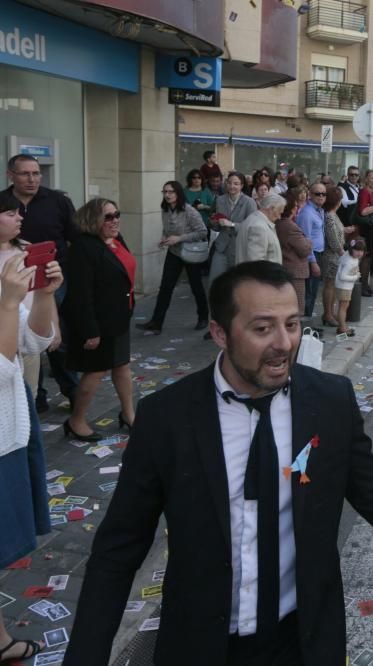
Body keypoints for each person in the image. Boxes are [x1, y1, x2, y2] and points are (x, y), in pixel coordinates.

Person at [64, 261, 373, 666]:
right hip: (201, 640)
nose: (284, 344)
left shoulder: (330, 402)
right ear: (220, 332)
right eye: (263, 329)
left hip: (302, 638)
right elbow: (118, 548)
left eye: (293, 324)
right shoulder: (167, 417)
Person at [0, 193, 62, 663]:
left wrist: (42, 293)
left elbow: (35, 341)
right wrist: (7, 303)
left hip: (10, 424)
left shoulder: (10, 263)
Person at [4, 154, 79, 412]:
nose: (32, 179)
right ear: (10, 175)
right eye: (25, 173)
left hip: (51, 279)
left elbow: (75, 237)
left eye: (36, 173)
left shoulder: (57, 201)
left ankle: (72, 390)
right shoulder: (4, 203)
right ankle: (35, 396)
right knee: (23, 342)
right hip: (15, 286)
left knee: (54, 339)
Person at [62, 198, 136, 441]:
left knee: (122, 366)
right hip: (98, 322)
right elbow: (80, 293)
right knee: (95, 371)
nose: (115, 221)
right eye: (108, 217)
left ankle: (128, 414)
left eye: (117, 214)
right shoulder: (83, 247)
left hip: (118, 318)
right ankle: (76, 420)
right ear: (93, 219)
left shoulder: (116, 240)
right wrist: (90, 330)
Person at [135, 181, 209, 335]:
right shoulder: (165, 209)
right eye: (165, 192)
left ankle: (203, 317)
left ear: (178, 193)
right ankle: (156, 323)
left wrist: (180, 238)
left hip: (190, 253)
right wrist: (165, 238)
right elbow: (167, 228)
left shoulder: (189, 211)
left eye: (171, 192)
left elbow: (202, 232)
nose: (167, 195)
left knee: (196, 286)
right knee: (165, 288)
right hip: (174, 253)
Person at [209, 172, 257, 287]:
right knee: (215, 283)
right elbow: (216, 226)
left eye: (236, 183)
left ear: (241, 185)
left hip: (239, 248)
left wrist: (232, 224)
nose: (232, 186)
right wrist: (214, 222)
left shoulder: (249, 202)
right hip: (222, 247)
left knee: (236, 285)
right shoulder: (219, 200)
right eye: (229, 183)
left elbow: (253, 227)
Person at [275, 195, 314, 316]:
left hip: (285, 266)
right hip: (295, 270)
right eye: (296, 206)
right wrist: (309, 241)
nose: (297, 208)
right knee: (297, 306)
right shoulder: (290, 226)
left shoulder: (278, 223)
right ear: (291, 208)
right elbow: (304, 250)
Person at [321, 186, 351, 327]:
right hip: (332, 255)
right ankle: (327, 314)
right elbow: (333, 240)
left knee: (332, 285)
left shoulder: (332, 215)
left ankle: (329, 313)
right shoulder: (330, 217)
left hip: (335, 255)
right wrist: (344, 255)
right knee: (330, 285)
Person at [296, 184, 326, 317]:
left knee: (313, 291)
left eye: (323, 194)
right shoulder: (307, 213)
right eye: (317, 194)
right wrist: (313, 261)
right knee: (309, 291)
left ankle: (308, 320)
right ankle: (306, 324)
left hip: (319, 253)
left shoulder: (319, 210)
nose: (321, 197)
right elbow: (305, 238)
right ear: (310, 195)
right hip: (311, 256)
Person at [236, 192, 285, 266]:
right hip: (261, 276)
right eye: (279, 212)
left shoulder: (254, 219)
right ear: (271, 208)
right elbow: (257, 264)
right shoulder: (259, 227)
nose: (279, 217)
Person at [334, 240, 365, 337]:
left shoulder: (348, 255)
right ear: (352, 250)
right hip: (344, 286)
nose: (360, 253)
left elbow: (340, 261)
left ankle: (342, 326)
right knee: (343, 307)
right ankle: (342, 328)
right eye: (357, 250)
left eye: (362, 250)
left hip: (343, 286)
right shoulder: (349, 261)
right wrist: (355, 277)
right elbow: (342, 276)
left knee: (343, 306)